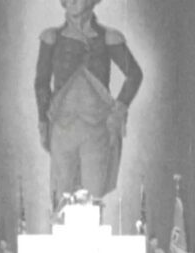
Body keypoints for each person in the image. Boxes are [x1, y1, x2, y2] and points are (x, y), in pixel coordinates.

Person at [34, 0, 143, 200]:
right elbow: (41, 83)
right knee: (62, 199)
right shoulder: (52, 38)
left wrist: (119, 110)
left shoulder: (109, 38)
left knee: (93, 199)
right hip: (62, 129)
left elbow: (134, 75)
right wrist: (43, 121)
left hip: (97, 130)